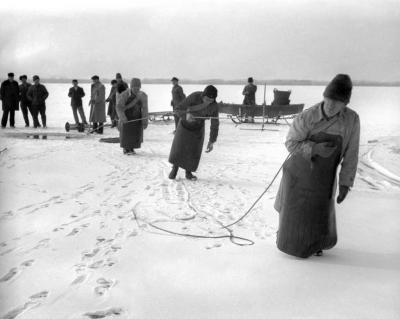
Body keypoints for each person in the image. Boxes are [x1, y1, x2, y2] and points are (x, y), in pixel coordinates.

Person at [274, 74, 360, 258]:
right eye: (328, 99)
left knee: (319, 213)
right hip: (299, 174)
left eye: (337, 102)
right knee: (295, 216)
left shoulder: (351, 120)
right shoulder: (307, 117)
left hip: (324, 178)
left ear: (345, 103)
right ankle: (288, 243)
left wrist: (346, 183)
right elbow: (291, 143)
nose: (330, 105)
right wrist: (314, 148)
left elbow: (351, 154)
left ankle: (317, 245)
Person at [168, 85, 219, 181]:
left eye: (211, 100)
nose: (208, 102)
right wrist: (186, 115)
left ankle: (188, 172)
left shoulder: (214, 107)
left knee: (193, 151)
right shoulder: (194, 96)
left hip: (198, 128)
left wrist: (212, 141)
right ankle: (174, 169)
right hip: (184, 125)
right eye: (207, 99)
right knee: (179, 148)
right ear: (203, 95)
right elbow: (178, 109)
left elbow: (215, 124)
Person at [115, 78, 148, 155]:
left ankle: (131, 148)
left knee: (135, 134)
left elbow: (145, 108)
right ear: (131, 87)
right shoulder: (124, 94)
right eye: (134, 87)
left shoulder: (142, 95)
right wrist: (123, 117)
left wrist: (144, 121)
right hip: (127, 117)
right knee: (126, 134)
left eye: (138, 87)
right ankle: (126, 148)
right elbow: (119, 107)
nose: (136, 89)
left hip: (137, 118)